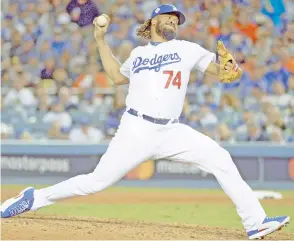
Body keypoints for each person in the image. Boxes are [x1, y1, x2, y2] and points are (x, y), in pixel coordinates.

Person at [1, 4, 290, 240]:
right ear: (153, 21)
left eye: (177, 20)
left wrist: (231, 68)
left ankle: (256, 222)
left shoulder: (188, 49)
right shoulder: (138, 54)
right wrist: (100, 40)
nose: (173, 23)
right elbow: (115, 77)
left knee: (220, 157)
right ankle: (33, 198)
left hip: (171, 130)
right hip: (136, 129)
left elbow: (225, 74)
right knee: (95, 182)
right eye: (168, 17)